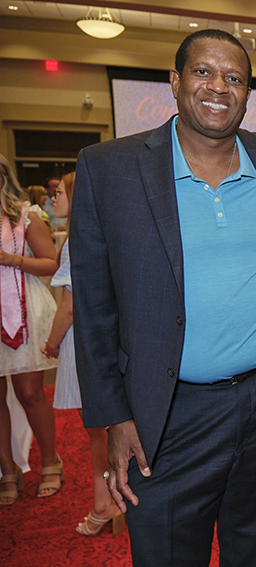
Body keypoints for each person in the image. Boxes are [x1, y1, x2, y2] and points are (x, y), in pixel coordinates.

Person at [70, 29, 256, 566]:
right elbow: (93, 307)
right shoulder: (109, 168)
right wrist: (114, 419)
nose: (219, 87)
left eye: (235, 77)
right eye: (204, 72)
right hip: (166, 413)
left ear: (249, 94)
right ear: (175, 81)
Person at [41, 171, 126, 535]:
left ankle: (105, 503)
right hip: (110, 339)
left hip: (84, 343)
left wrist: (50, 342)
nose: (52, 200)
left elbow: (69, 307)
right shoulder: (112, 228)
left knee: (99, 433)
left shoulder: (81, 236)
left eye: (58, 193)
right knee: (110, 430)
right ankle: (112, 501)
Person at [0, 154, 61, 505]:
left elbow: (51, 263)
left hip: (23, 307)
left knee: (29, 393)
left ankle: (50, 462)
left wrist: (12, 259)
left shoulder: (27, 215)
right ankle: (8, 470)